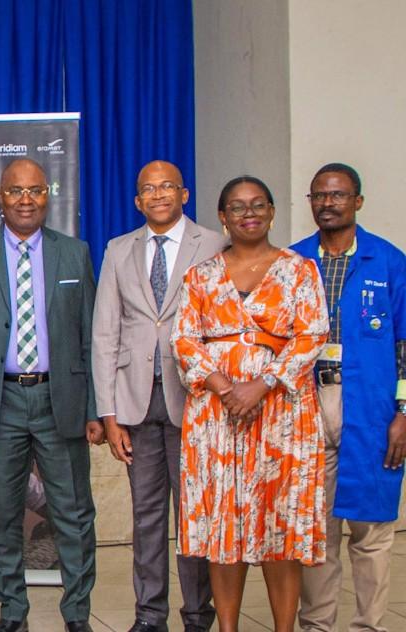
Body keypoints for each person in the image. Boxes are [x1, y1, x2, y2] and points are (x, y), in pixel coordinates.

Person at [0, 158, 100, 632]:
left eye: (35, 190)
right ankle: (12, 612)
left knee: (73, 513)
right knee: (2, 515)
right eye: (15, 191)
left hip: (60, 399)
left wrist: (95, 408)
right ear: (0, 198)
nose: (25, 200)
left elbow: (91, 338)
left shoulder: (74, 253)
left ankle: (77, 614)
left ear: (47, 195)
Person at [170, 175, 328, 632]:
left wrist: (262, 383)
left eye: (259, 204)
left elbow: (312, 335)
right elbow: (184, 339)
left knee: (280, 526)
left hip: (282, 414)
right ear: (223, 217)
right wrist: (225, 387)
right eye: (237, 207)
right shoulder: (200, 276)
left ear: (272, 212)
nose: (249, 213)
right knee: (225, 530)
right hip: (216, 417)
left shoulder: (299, 270)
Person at [91, 160, 222, 632]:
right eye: (149, 189)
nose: (158, 194)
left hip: (197, 402)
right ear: (137, 200)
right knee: (146, 517)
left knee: (194, 516)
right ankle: (149, 616)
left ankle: (198, 615)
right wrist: (108, 413)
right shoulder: (118, 249)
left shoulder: (214, 244)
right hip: (136, 403)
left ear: (184, 194)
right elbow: (105, 332)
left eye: (167, 186)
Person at [291, 163, 406, 632]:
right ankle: (317, 625)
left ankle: (369, 626)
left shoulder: (388, 261)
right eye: (319, 195)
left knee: (371, 531)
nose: (328, 203)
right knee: (315, 528)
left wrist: (404, 412)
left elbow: (404, 345)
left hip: (371, 407)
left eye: (338, 195)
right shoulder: (294, 261)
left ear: (358, 201)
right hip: (307, 404)